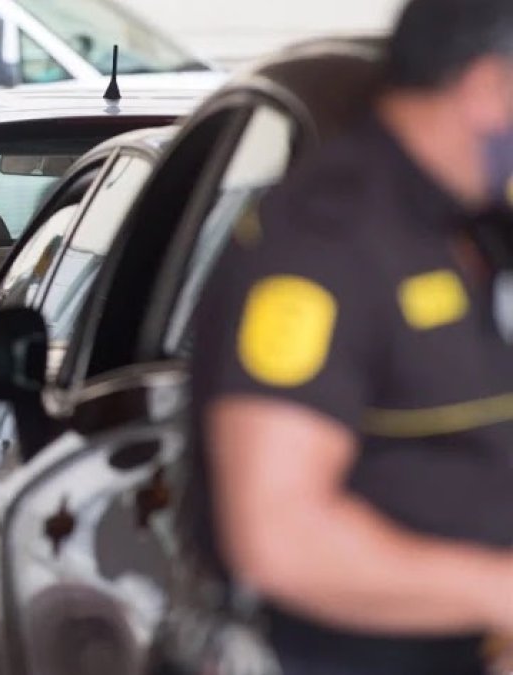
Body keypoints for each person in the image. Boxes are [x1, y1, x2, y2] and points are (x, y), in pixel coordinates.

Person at [187, 1, 513, 673]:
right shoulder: (323, 242)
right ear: (487, 88)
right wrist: (498, 591)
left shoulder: (471, 223)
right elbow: (280, 534)